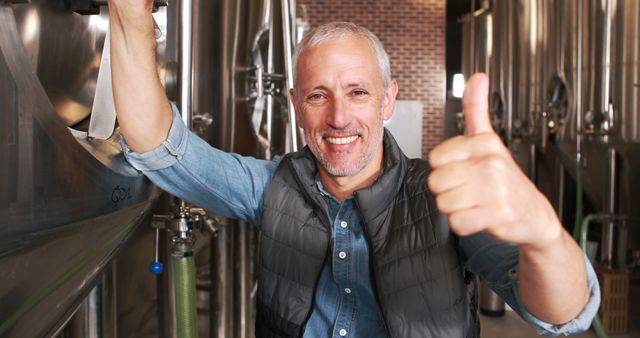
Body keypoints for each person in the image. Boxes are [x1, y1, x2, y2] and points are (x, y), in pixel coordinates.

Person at [108, 2, 600, 337]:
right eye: (319, 96)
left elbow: (562, 315)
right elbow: (161, 149)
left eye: (358, 93)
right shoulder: (272, 186)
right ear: (297, 107)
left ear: (388, 101)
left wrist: (543, 235)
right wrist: (129, 15)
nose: (338, 118)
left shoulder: (441, 200)